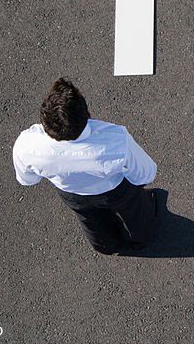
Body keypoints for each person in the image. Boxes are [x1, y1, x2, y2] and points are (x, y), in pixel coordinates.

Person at [12, 77, 162, 254]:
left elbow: (27, 180)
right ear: (87, 114)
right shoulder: (116, 139)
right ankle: (139, 240)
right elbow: (145, 174)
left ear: (45, 123)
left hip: (72, 195)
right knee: (134, 214)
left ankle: (106, 245)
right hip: (115, 191)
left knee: (89, 219)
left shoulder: (27, 145)